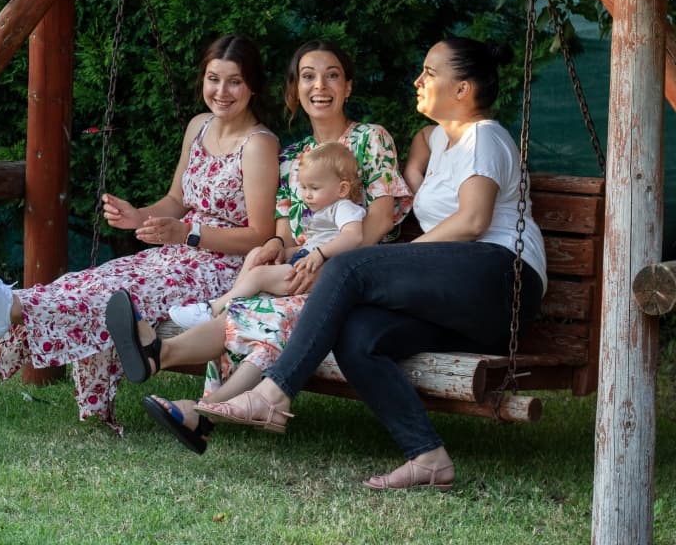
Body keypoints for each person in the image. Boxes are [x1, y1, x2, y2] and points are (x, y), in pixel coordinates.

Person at [193, 37, 547, 491]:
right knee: (359, 337)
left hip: (501, 278)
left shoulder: (485, 136)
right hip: (464, 300)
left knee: (349, 266)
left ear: (462, 90)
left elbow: (473, 221)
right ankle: (428, 456)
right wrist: (418, 169)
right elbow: (424, 139)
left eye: (430, 73)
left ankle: (272, 393)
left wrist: (395, 256)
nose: (418, 80)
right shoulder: (444, 136)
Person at [0, 35, 282, 432]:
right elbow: (176, 199)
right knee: (91, 280)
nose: (221, 92)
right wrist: (137, 215)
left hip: (222, 272)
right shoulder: (199, 126)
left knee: (113, 298)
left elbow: (260, 235)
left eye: (234, 82)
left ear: (253, 87)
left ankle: (0, 305)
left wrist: (189, 234)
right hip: (175, 256)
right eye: (213, 79)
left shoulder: (259, 145)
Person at [107, 39, 412, 454]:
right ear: (294, 89)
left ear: (348, 87)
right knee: (252, 303)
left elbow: (377, 220)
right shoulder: (292, 159)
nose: (320, 85)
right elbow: (285, 233)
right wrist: (270, 248)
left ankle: (175, 373)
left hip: (356, 273)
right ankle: (190, 396)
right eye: (308, 76)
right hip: (301, 271)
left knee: (273, 311)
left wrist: (332, 263)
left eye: (332, 75)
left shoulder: (370, 139)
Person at [168, 141, 366, 328]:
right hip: (308, 262)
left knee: (260, 275)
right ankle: (227, 304)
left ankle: (212, 311)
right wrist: (286, 252)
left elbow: (353, 237)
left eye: (314, 188)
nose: (307, 195)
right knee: (257, 253)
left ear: (342, 189)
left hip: (323, 274)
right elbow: (312, 245)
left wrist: (319, 253)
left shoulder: (344, 208)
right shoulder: (322, 213)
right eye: (304, 188)